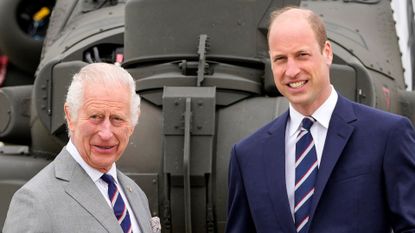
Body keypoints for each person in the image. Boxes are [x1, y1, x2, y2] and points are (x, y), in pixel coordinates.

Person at [226, 6, 415, 233]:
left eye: (301, 55)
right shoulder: (247, 155)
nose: (292, 70)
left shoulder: (388, 135)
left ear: (327, 52)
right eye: (280, 59)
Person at [3, 63, 161, 233]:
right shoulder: (35, 201)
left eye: (117, 119)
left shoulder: (136, 195)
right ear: (70, 116)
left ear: (132, 123)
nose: (106, 133)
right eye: (95, 117)